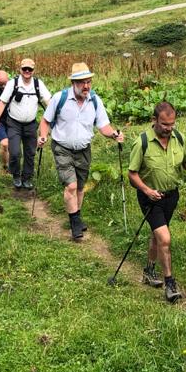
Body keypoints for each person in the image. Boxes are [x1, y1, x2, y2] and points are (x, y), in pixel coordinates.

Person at [38, 62, 124, 241]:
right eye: (82, 82)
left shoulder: (95, 101)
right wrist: (43, 136)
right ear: (73, 83)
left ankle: (76, 215)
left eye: (88, 82)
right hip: (62, 148)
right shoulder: (60, 98)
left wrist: (114, 134)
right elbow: (45, 121)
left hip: (84, 150)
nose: (86, 86)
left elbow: (104, 126)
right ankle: (75, 222)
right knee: (71, 185)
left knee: (80, 187)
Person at [128, 101, 186, 304]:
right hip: (150, 198)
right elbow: (132, 174)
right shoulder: (142, 142)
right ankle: (170, 284)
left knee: (157, 235)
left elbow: (185, 165)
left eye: (172, 124)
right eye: (164, 124)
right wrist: (147, 191)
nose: (169, 128)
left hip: (171, 196)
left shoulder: (179, 138)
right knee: (165, 238)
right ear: (154, 120)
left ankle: (149, 271)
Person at [0, 58, 52, 190]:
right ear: (20, 69)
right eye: (24, 69)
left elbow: (48, 101)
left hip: (31, 124)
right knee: (14, 152)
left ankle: (27, 177)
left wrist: (53, 118)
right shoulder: (12, 84)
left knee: (30, 152)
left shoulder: (38, 84)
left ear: (33, 70)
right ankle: (16, 175)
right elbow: (2, 102)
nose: (27, 71)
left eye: (30, 69)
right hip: (14, 124)